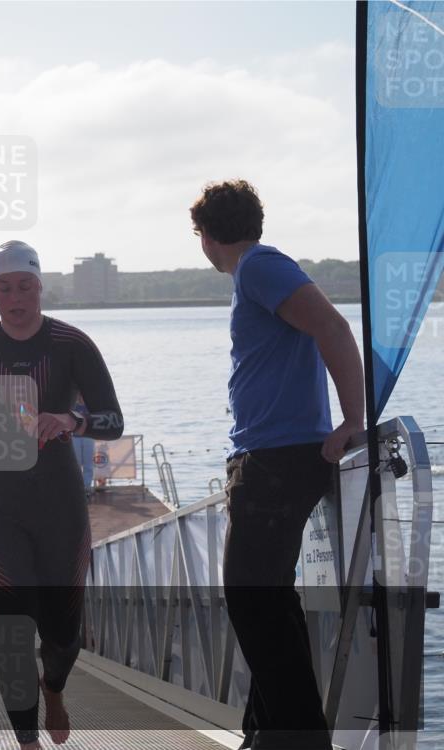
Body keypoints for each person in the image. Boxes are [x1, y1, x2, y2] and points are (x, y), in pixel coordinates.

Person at [0, 240, 124, 749]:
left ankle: (53, 688)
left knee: (63, 634)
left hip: (59, 501)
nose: (15, 298)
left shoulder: (71, 344)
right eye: (4, 288)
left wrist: (71, 420)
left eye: (25, 286)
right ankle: (26, 741)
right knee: (13, 629)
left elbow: (112, 419)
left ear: (40, 287)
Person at [190, 180, 364, 750]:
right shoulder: (257, 270)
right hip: (271, 459)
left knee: (252, 599)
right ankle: (266, 732)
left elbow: (332, 326)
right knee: (267, 599)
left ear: (206, 236)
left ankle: (299, 739)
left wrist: (353, 418)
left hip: (277, 461)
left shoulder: (260, 266)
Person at [69, 401, 95, 500]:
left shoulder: (90, 406)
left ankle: (87, 487)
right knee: (77, 464)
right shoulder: (73, 405)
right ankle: (78, 488)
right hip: (75, 437)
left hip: (89, 436)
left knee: (88, 464)